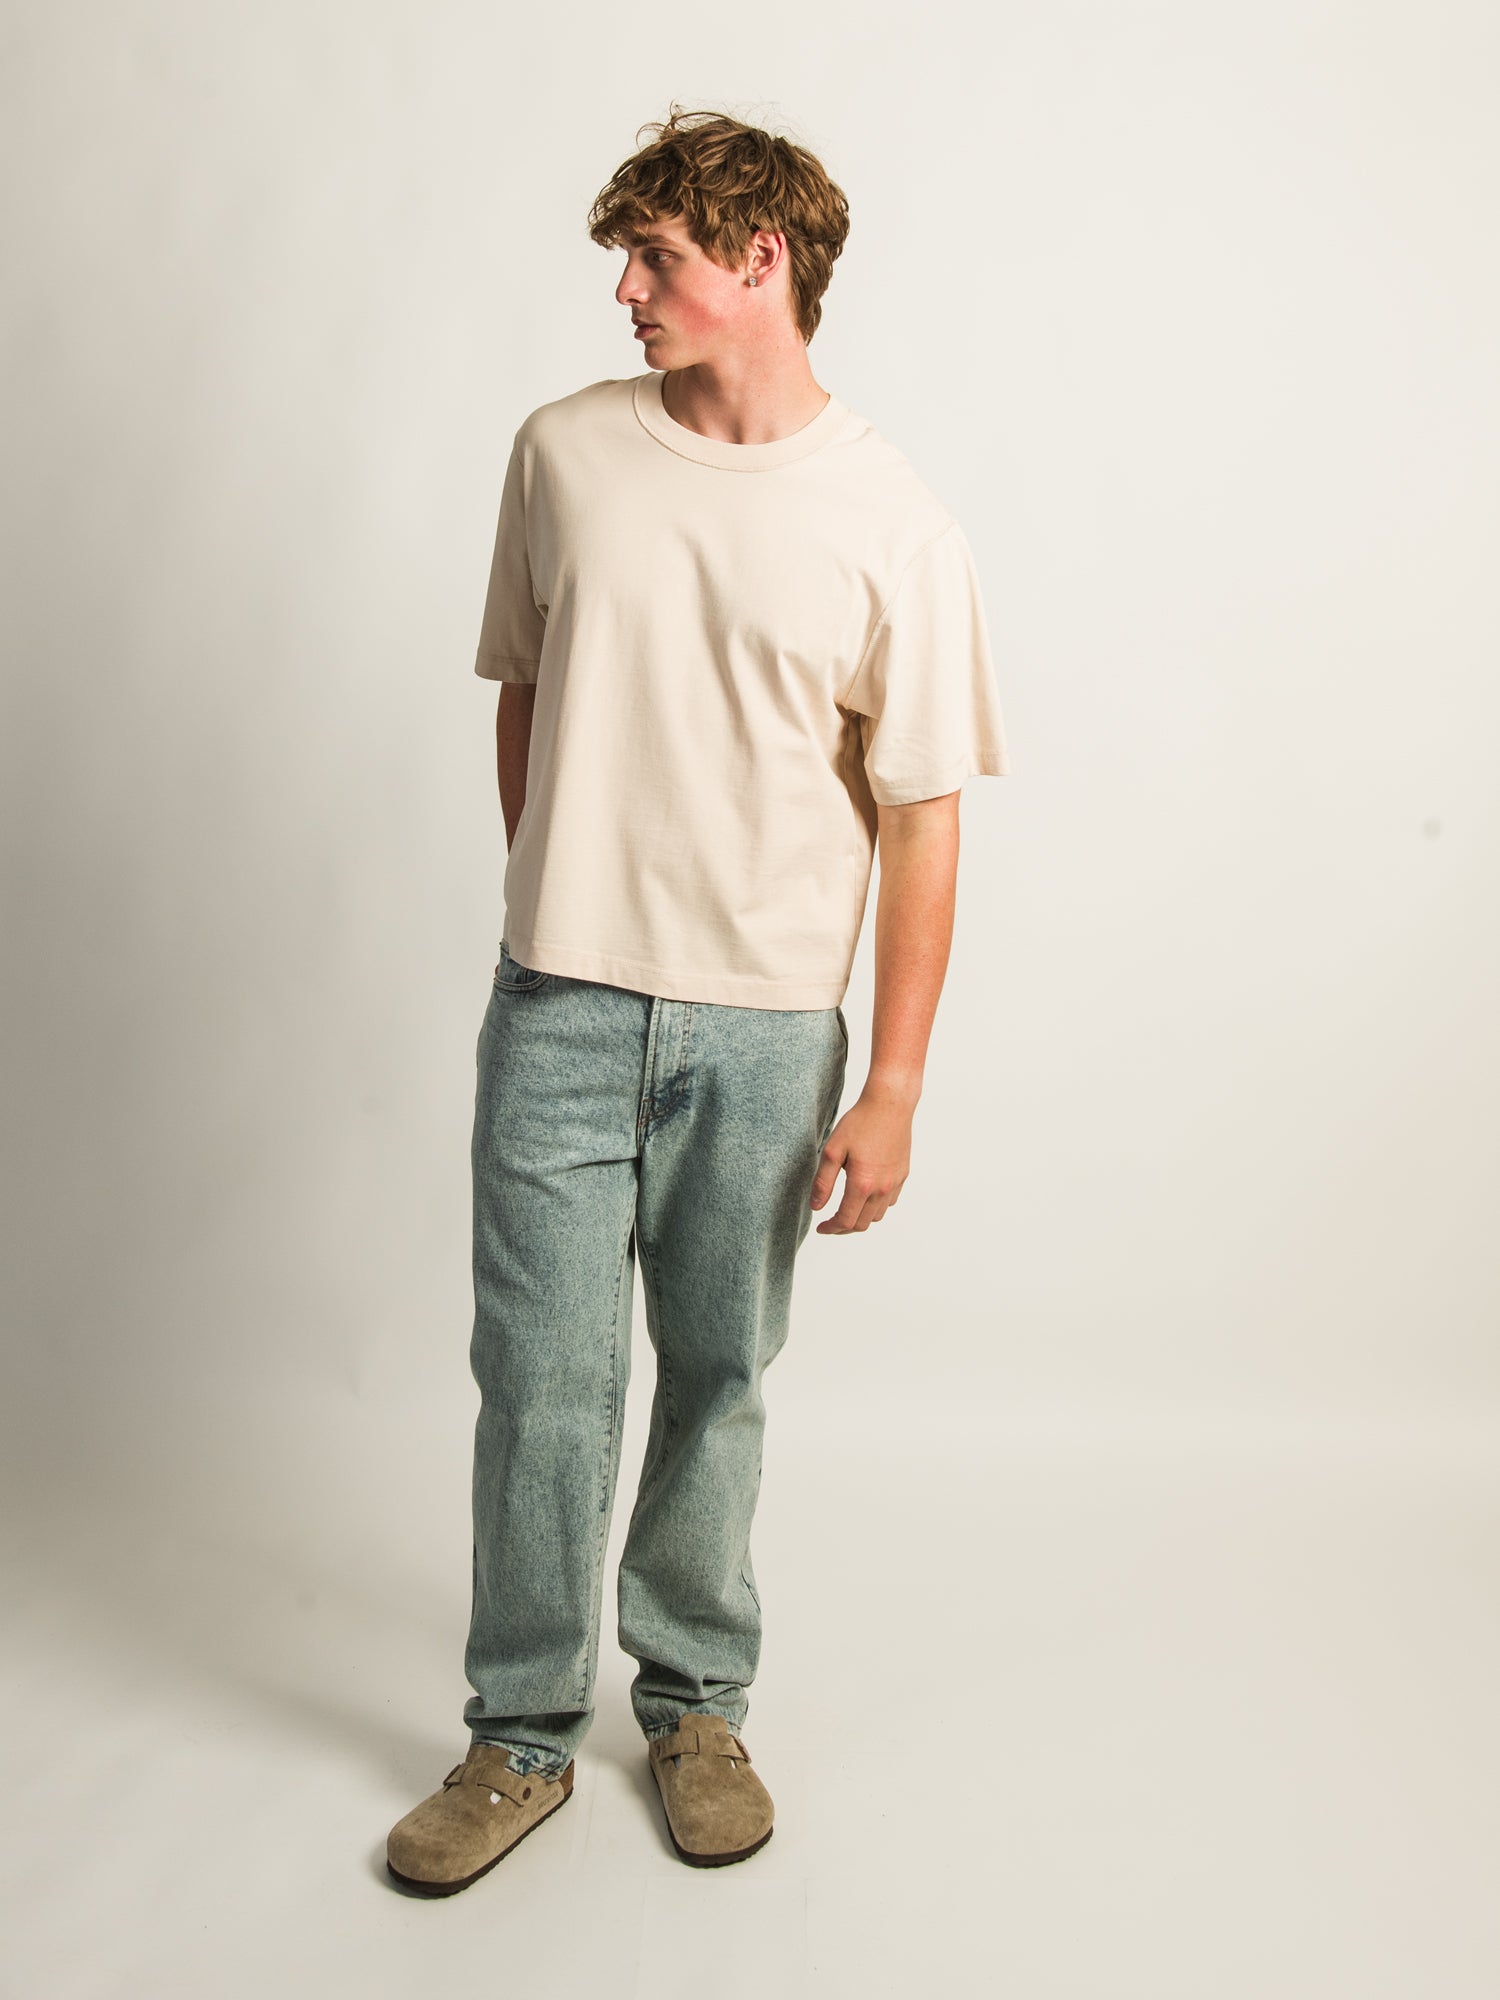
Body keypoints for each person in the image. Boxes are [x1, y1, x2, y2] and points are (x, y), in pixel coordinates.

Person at [386, 105, 1010, 1895]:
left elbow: (922, 816)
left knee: (721, 1374)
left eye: (655, 257)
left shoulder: (894, 520)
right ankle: (520, 1734)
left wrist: (894, 1083)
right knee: (543, 1378)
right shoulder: (563, 455)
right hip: (560, 1007)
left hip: (767, 1030)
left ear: (762, 260)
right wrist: (566, 895)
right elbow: (526, 690)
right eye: (627, 257)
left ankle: (695, 1705)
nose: (626, 291)